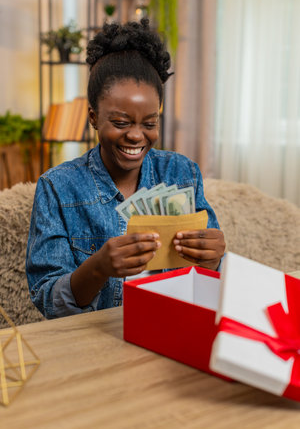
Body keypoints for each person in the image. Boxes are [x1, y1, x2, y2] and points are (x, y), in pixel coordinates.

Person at [26, 19, 225, 319]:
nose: (136, 135)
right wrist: (99, 268)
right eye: (120, 122)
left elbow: (206, 281)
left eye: (149, 123)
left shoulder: (182, 173)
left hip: (169, 329)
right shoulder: (57, 188)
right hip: (96, 343)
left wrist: (214, 260)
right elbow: (48, 299)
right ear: (93, 117)